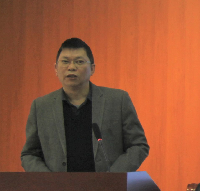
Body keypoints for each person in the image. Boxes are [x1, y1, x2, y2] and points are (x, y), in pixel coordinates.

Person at [21, 38, 149, 172]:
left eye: (79, 62)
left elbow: (138, 145)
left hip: (106, 184)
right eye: (65, 61)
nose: (71, 67)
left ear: (92, 69)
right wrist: (49, 180)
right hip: (58, 185)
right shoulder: (41, 106)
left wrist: (112, 177)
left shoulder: (117, 100)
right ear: (56, 69)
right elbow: (29, 154)